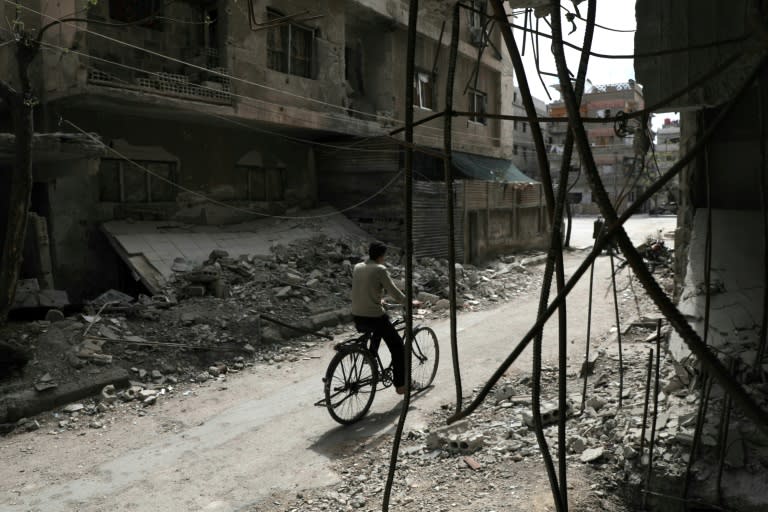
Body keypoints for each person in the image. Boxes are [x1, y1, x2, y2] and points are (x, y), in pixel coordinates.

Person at [351, 242, 413, 394]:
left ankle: (371, 357)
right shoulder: (380, 269)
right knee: (398, 346)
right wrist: (409, 302)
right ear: (381, 256)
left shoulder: (358, 267)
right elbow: (394, 291)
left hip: (357, 315)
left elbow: (364, 288)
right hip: (373, 316)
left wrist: (379, 301)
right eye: (384, 256)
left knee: (379, 327)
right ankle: (401, 385)